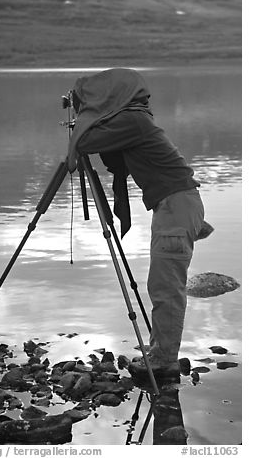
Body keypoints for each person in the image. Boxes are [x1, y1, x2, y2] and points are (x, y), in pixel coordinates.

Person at [67, 68, 210, 377]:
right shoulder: (133, 117)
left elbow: (86, 142)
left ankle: (163, 360)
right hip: (177, 204)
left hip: (176, 207)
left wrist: (84, 119)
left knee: (165, 287)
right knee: (164, 282)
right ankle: (161, 348)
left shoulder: (132, 121)